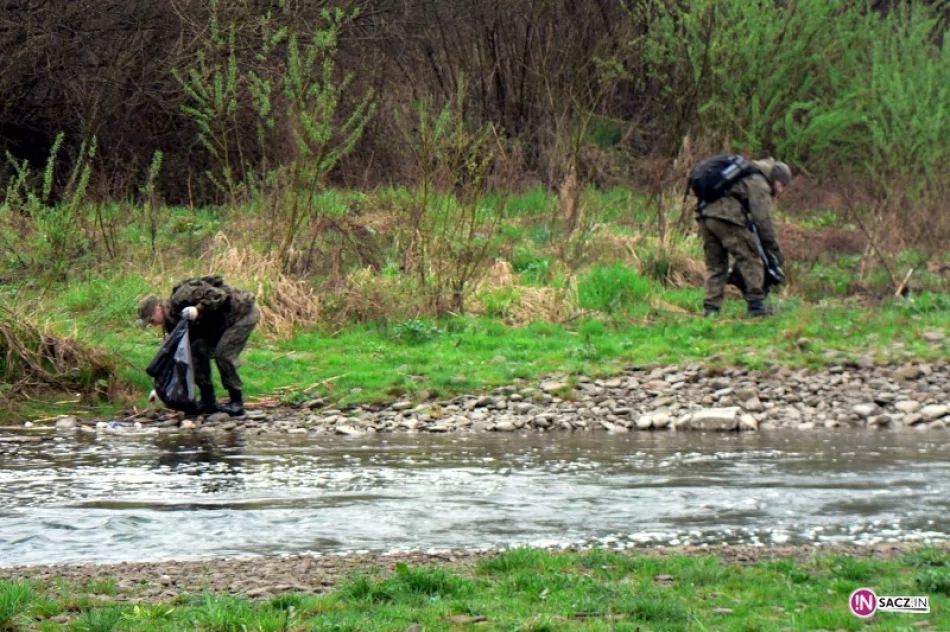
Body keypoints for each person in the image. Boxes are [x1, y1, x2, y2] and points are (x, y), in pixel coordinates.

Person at [137, 276, 259, 416]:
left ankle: (236, 402)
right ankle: (208, 400)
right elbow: (182, 354)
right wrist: (161, 388)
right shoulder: (173, 323)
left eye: (152, 320)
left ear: (158, 308)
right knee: (196, 351)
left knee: (224, 354)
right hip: (220, 323)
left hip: (242, 313)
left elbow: (219, 295)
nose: (153, 324)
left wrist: (198, 309)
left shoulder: (182, 296)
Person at [698, 158, 791, 317]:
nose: (781, 191)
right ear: (775, 179)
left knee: (716, 265)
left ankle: (711, 309)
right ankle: (756, 305)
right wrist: (774, 250)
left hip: (705, 215)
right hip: (726, 216)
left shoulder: (744, 174)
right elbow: (763, 221)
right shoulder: (759, 182)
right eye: (782, 185)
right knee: (750, 258)